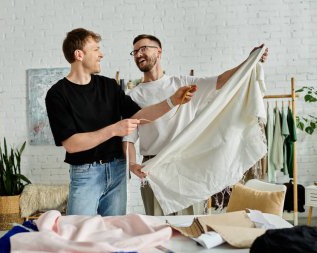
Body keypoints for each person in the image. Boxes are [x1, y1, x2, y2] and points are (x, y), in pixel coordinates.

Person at [45, 28, 197, 217]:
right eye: (95, 49)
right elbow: (72, 144)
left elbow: (140, 116)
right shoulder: (57, 94)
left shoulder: (109, 86)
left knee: (115, 233)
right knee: (78, 233)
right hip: (86, 174)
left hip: (117, 171)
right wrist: (115, 129)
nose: (101, 54)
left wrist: (172, 101)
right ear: (79, 55)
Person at [123, 34, 268, 215]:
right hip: (153, 169)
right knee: (158, 227)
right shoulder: (133, 96)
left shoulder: (184, 83)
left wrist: (249, 61)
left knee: (190, 226)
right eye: (135, 51)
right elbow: (128, 136)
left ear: (158, 52)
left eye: (143, 48)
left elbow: (220, 81)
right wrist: (132, 164)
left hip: (186, 166)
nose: (138, 54)